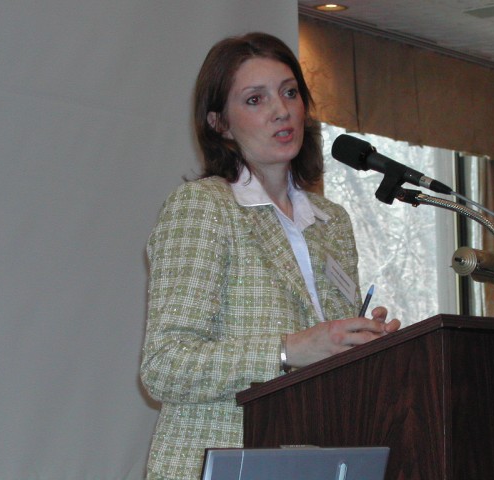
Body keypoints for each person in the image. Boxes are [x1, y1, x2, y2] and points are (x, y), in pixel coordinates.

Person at [140, 32, 401, 480]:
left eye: (290, 92)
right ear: (220, 124)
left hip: (314, 460)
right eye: (255, 99)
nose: (281, 110)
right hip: (219, 463)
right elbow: (165, 365)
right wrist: (289, 350)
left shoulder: (331, 221)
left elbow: (324, 356)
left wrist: (363, 342)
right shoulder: (204, 206)